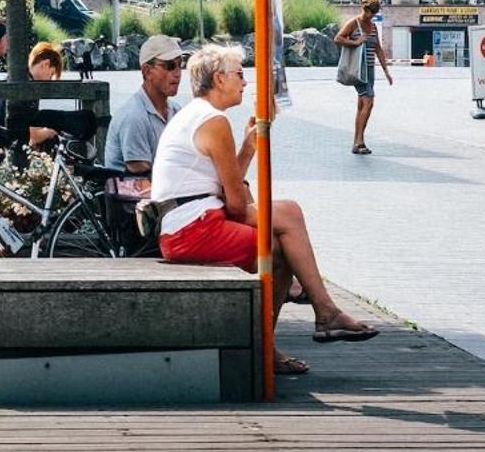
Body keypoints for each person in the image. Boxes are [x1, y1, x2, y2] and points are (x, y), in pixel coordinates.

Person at [150, 44, 378, 376]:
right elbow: (237, 203)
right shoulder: (212, 121)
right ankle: (298, 327)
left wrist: (248, 147)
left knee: (287, 218)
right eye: (240, 75)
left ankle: (318, 315)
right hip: (192, 229)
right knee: (281, 241)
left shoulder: (198, 115)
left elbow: (222, 187)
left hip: (190, 221)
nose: (245, 83)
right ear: (219, 78)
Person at [101, 34, 184, 177]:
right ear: (147, 71)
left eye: (180, 64)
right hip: (134, 196)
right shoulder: (133, 117)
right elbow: (142, 176)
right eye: (170, 66)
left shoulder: (176, 111)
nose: (177, 73)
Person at [332, 0, 393, 155]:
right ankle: (359, 140)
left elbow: (378, 48)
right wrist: (355, 42)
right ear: (364, 9)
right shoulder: (354, 23)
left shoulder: (373, 27)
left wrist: (386, 71)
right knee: (368, 102)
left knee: (362, 105)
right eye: (371, 12)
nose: (372, 15)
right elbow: (338, 38)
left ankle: (358, 141)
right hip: (359, 69)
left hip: (370, 70)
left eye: (375, 13)